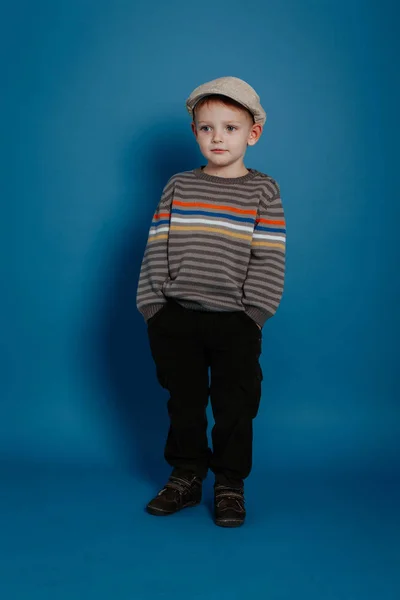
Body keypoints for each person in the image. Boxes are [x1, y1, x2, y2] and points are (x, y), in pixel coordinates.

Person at [136, 76, 286, 527]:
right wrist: (153, 308)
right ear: (195, 132)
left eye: (230, 127)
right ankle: (185, 476)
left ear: (252, 134)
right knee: (183, 402)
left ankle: (229, 484)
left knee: (235, 406)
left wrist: (253, 316)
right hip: (176, 317)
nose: (217, 137)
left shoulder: (263, 191)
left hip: (235, 322)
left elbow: (269, 259)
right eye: (206, 128)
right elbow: (156, 248)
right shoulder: (178, 185)